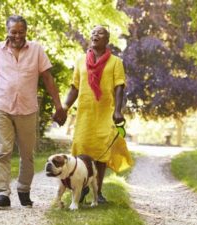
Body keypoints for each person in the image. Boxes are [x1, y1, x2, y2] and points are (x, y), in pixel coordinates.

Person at [0, 15, 67, 210]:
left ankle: (23, 190)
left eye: (21, 32)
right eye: (13, 32)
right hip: (2, 107)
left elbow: (48, 78)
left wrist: (58, 106)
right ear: (7, 32)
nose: (17, 36)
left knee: (27, 153)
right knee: (3, 151)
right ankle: (2, 194)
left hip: (27, 109)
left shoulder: (36, 50)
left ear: (26, 32)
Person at [62, 25, 133, 203]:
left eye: (100, 33)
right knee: (81, 149)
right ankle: (82, 187)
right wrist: (64, 108)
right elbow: (74, 88)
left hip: (105, 113)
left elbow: (119, 87)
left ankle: (98, 192)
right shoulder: (80, 61)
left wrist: (118, 110)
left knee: (101, 153)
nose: (95, 34)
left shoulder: (116, 62)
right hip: (85, 113)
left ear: (107, 40)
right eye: (93, 32)